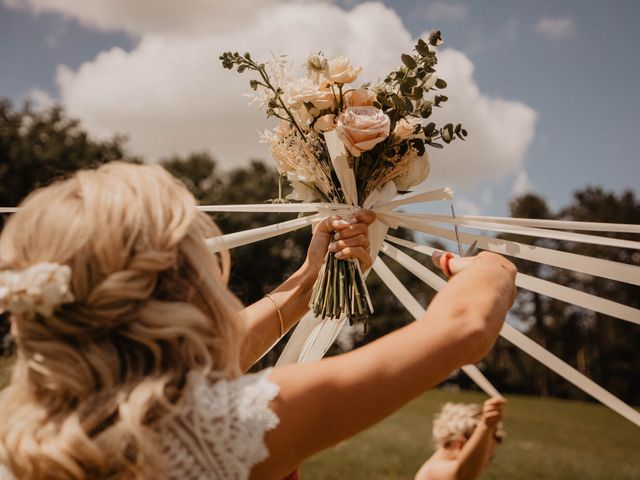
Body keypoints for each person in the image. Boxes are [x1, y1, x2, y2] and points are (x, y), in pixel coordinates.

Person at [0, 162, 516, 480]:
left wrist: (312, 278)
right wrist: (491, 267)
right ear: (179, 286)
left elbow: (220, 350)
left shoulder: (17, 426)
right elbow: (462, 330)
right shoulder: (214, 431)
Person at [414, 397, 506, 480]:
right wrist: (485, 426)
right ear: (460, 443)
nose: (484, 464)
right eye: (488, 455)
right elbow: (464, 473)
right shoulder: (433, 470)